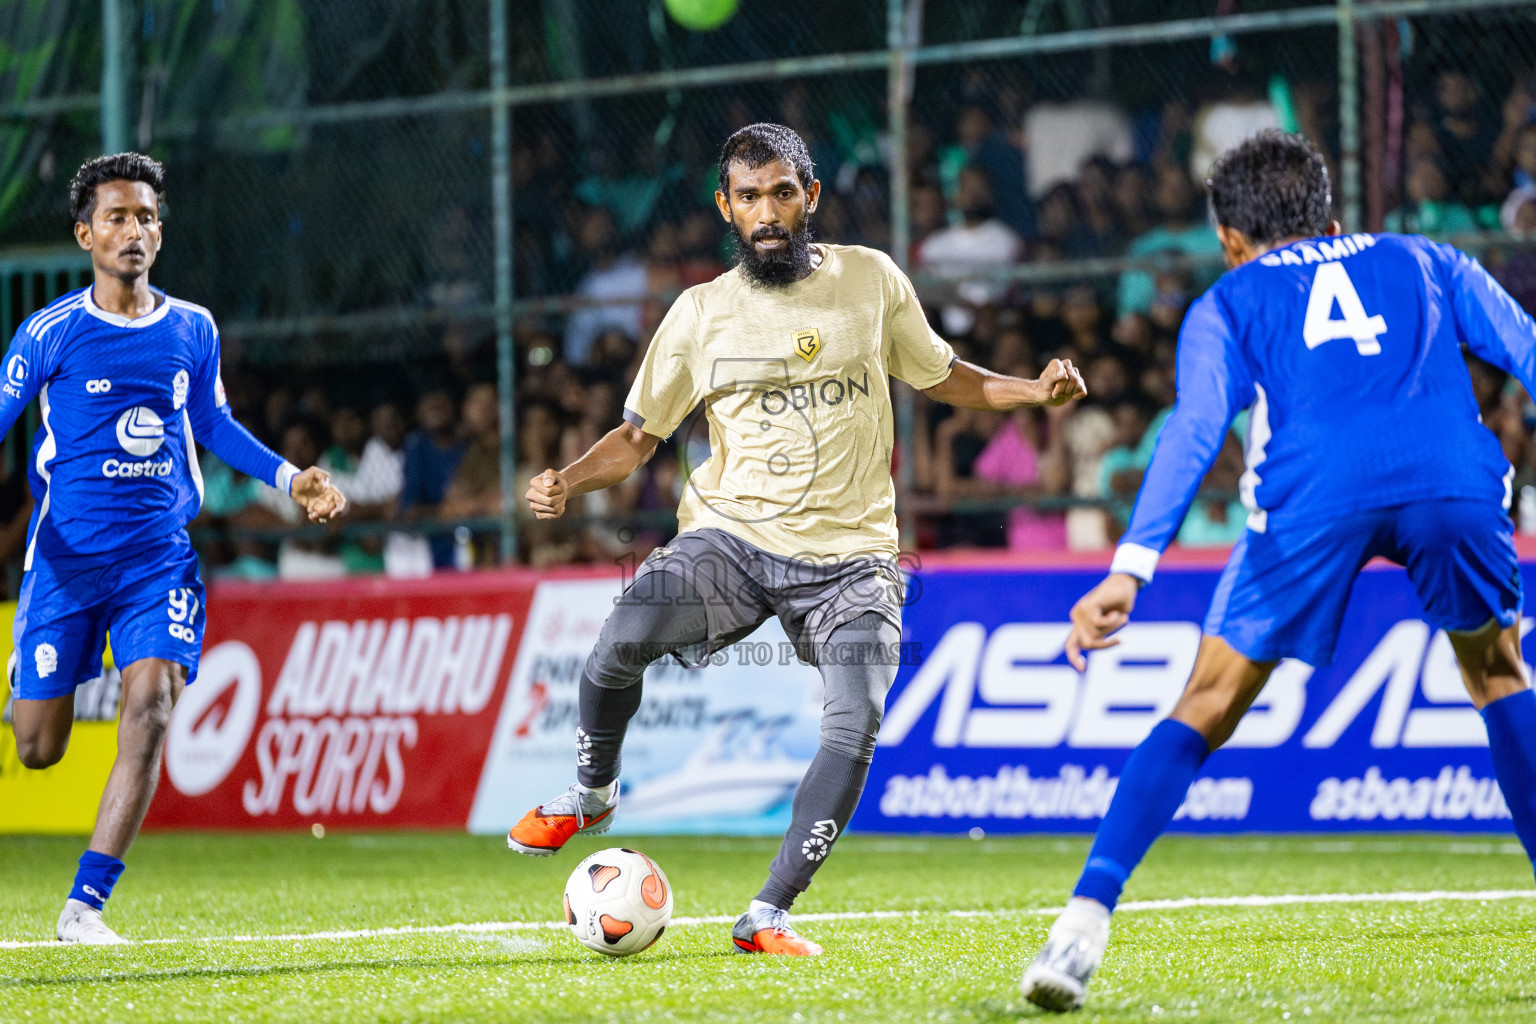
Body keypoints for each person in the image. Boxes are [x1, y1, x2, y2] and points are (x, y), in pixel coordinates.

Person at [508, 123, 1087, 955]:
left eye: (783, 192)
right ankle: (592, 796)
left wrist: (1033, 391)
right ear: (726, 208)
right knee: (618, 640)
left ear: (810, 197)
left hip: (854, 558)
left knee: (855, 723)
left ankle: (769, 911)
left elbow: (942, 374)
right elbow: (638, 438)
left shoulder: (870, 280)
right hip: (732, 539)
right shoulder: (699, 313)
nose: (768, 212)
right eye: (749, 197)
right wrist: (567, 478)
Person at [1021, 130, 1536, 1012]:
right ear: (1330, 212)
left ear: (1229, 238)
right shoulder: (1429, 258)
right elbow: (1527, 347)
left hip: (1314, 487)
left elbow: (1195, 430)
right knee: (1497, 672)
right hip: (1450, 473)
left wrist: (1129, 569)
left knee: (1207, 701)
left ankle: (1080, 929)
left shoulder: (1228, 300)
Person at [4, 154, 345, 943]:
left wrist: (291, 479)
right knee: (37, 749)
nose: (135, 231)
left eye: (148, 217)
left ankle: (84, 906)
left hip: (157, 558)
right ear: (85, 232)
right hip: (65, 560)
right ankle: (47, 671)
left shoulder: (192, 328)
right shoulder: (47, 332)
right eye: (118, 217)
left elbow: (215, 425)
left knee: (153, 704)